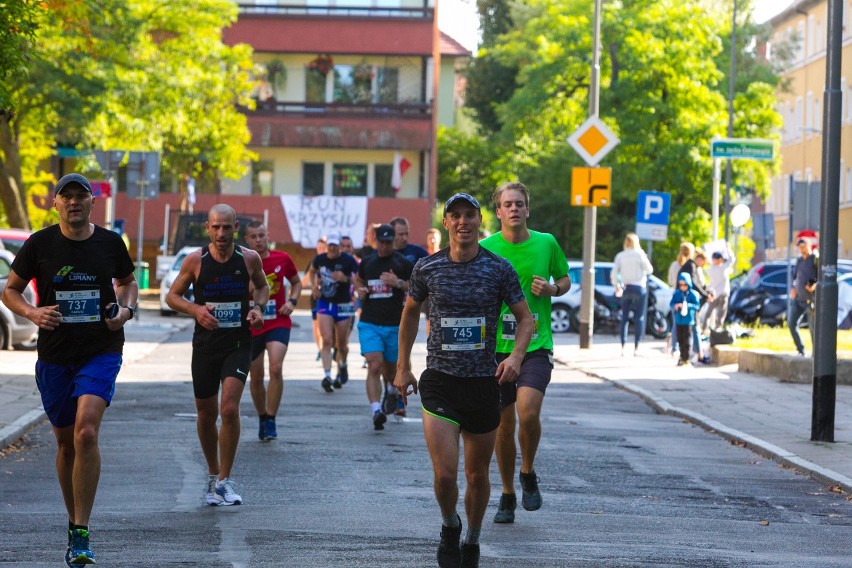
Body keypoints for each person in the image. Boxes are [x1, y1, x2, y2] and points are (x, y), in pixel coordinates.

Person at [1, 173, 138, 566]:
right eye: (67, 197)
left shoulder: (110, 243)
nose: (74, 202)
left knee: (86, 432)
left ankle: (81, 531)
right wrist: (32, 311)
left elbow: (127, 283)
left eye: (81, 196)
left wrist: (125, 311)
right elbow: (9, 290)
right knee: (64, 444)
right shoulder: (39, 244)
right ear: (56, 204)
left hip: (101, 349)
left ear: (93, 202)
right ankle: (72, 518)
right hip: (56, 355)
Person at [395, 192, 534, 568]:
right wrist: (402, 365)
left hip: (482, 383)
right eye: (454, 215)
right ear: (446, 224)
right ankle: (449, 524)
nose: (462, 222)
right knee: (444, 475)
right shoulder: (427, 268)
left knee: (475, 475)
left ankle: (472, 538)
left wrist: (517, 357)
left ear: (478, 221)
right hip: (440, 381)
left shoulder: (498, 268)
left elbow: (525, 319)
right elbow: (409, 313)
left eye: (469, 215)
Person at [479, 181, 570, 525]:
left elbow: (565, 279)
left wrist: (552, 288)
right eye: (507, 204)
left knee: (528, 413)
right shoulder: (486, 247)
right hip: (495, 347)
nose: (514, 208)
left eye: (519, 203)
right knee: (503, 426)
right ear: (499, 212)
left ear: (527, 209)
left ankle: (528, 471)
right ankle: (506, 493)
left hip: (535, 343)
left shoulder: (546, 242)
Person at [167, 204, 269, 506]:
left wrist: (257, 308)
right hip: (206, 346)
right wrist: (196, 310)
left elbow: (262, 289)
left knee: (228, 410)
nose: (222, 233)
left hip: (238, 342)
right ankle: (213, 475)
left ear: (235, 227)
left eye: (227, 227)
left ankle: (225, 479)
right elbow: (172, 296)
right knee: (206, 413)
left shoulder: (248, 259)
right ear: (208, 229)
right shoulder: (195, 260)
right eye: (216, 227)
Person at [243, 221, 301, 441]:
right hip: (252, 323)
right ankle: (262, 417)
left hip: (278, 320)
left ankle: (271, 419)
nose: (258, 240)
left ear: (267, 235)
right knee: (256, 376)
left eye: (261, 235)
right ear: (247, 240)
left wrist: (293, 301)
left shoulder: (282, 258)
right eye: (253, 237)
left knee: (275, 368)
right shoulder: (243, 261)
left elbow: (296, 282)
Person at [353, 224, 413, 429]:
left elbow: (417, 288)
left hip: (394, 325)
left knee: (390, 370)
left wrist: (398, 283)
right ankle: (376, 410)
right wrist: (360, 290)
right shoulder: (368, 262)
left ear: (393, 241)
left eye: (389, 242)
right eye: (382, 242)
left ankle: (389, 388)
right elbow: (359, 279)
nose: (385, 246)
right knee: (374, 364)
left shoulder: (402, 262)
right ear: (376, 241)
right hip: (369, 322)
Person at [307, 232, 359, 391]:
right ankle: (327, 375)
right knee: (327, 340)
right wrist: (314, 286)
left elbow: (359, 279)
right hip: (325, 302)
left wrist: (345, 279)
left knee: (341, 344)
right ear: (327, 245)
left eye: (335, 246)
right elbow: (311, 272)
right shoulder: (320, 259)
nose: (333, 248)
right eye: (330, 245)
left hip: (343, 304)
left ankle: (342, 364)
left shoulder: (348, 260)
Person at [610, 232, 654, 357]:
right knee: (639, 318)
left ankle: (623, 347)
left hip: (626, 288)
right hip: (639, 288)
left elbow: (614, 274)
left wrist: (617, 286)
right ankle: (636, 348)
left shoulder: (620, 256)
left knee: (624, 318)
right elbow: (649, 270)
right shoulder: (640, 254)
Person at [789, 238, 818, 356]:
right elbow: (795, 276)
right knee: (791, 323)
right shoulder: (799, 261)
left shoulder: (815, 259)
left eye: (803, 246)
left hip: (811, 300)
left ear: (809, 246)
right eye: (799, 247)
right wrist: (793, 288)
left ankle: (816, 353)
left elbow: (819, 276)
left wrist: (813, 284)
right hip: (799, 299)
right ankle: (800, 349)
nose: (802, 249)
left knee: (813, 328)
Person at [302, 236, 327, 361]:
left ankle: (327, 347)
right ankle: (321, 349)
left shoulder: (332, 261)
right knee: (317, 326)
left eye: (323, 248)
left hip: (330, 298)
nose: (321, 250)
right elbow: (304, 282)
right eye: (319, 248)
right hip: (316, 298)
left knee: (328, 326)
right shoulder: (313, 262)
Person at [670, 272, 701, 366]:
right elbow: (671, 303)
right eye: (681, 285)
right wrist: (676, 306)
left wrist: (687, 305)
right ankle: (681, 357)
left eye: (685, 284)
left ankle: (686, 357)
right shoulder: (677, 293)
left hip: (688, 320)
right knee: (680, 339)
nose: (683, 287)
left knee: (687, 339)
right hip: (679, 320)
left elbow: (697, 306)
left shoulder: (693, 294)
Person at [703, 244, 736, 332]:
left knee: (709, 312)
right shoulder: (722, 268)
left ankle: (704, 328)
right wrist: (728, 249)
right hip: (722, 293)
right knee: (721, 313)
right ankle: (717, 328)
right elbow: (732, 259)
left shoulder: (710, 269)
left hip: (714, 293)